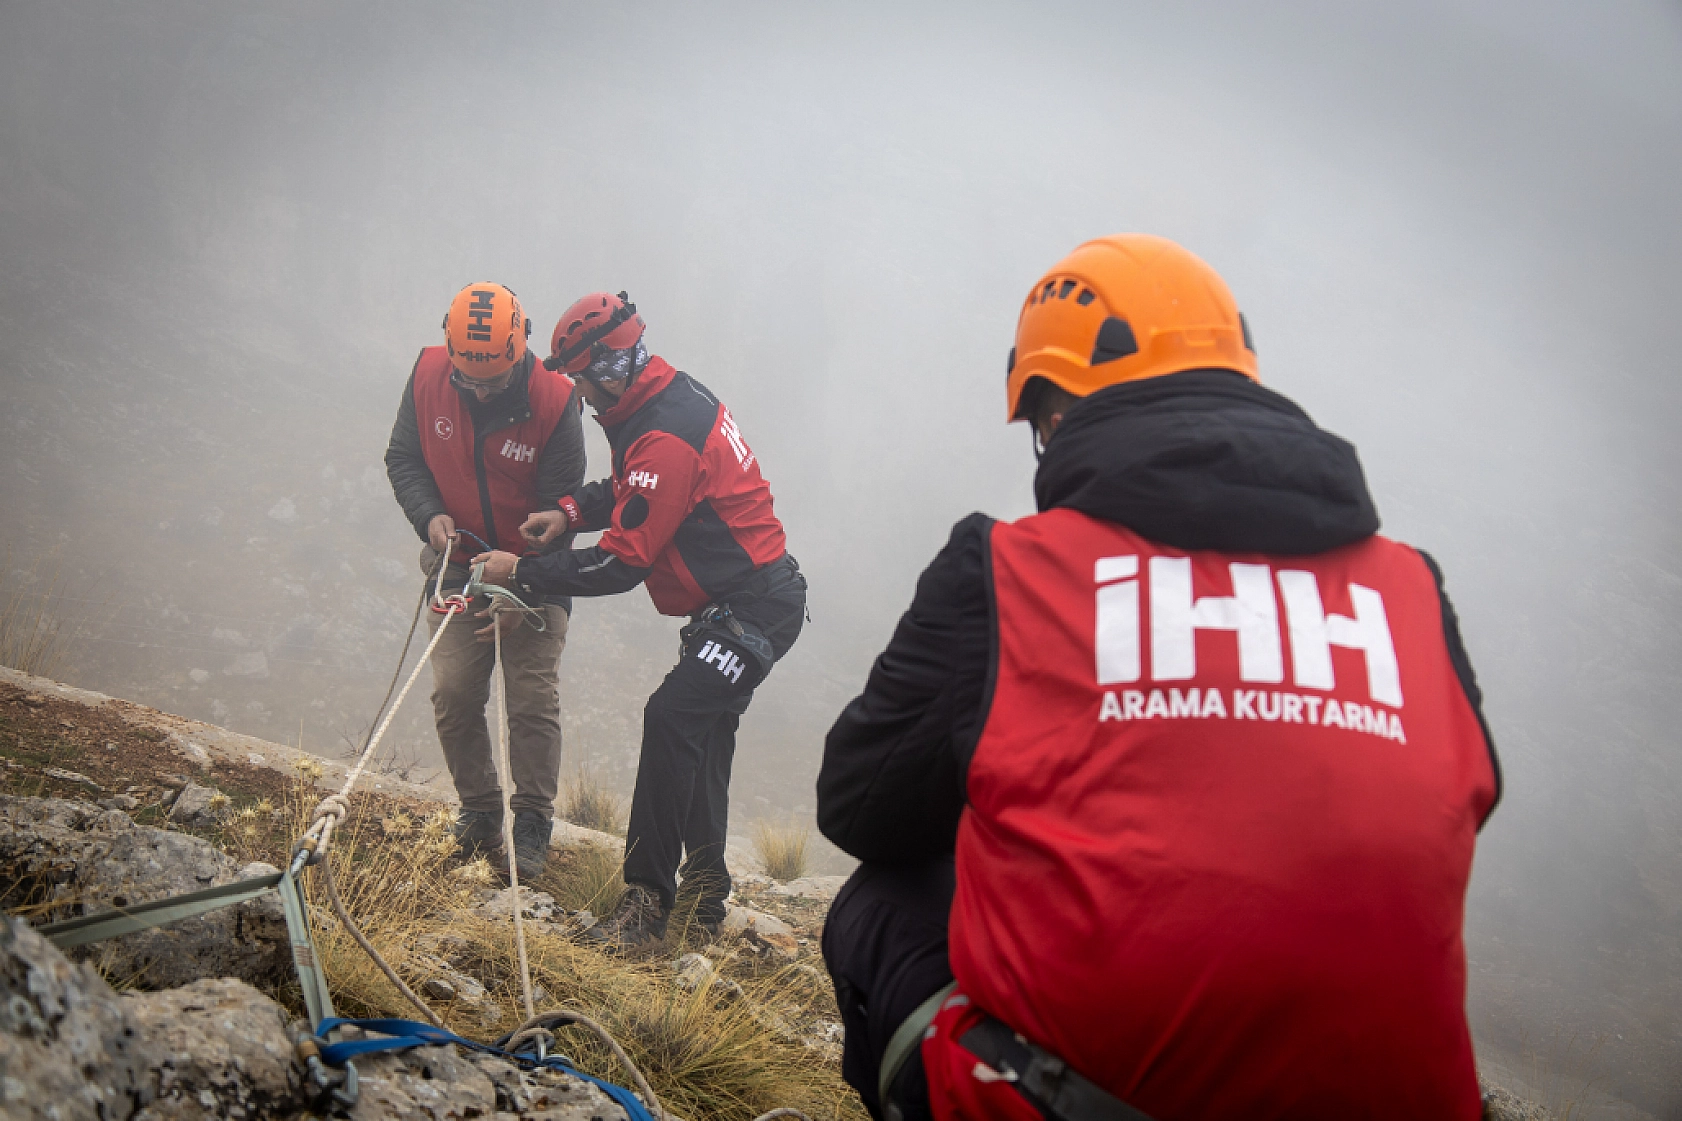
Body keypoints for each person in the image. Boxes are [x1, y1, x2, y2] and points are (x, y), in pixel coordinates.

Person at [816, 235, 1501, 1121]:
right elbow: (1457, 808)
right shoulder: (1412, 586)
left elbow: (859, 805)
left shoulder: (1007, 568)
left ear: (1055, 417)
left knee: (883, 901)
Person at [474, 291, 806, 950]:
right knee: (703, 736)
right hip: (751, 604)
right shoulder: (663, 397)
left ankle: (646, 909)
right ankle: (704, 904)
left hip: (754, 608)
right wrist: (570, 512)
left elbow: (625, 562)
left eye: (582, 379)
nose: (582, 395)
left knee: (672, 716)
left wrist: (522, 571)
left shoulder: (663, 434)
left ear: (609, 364)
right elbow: (636, 490)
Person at [384, 281, 586, 878]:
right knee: (453, 693)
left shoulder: (556, 400)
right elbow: (403, 458)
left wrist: (518, 588)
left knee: (530, 700)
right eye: (468, 378)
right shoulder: (427, 376)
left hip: (534, 572)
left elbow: (562, 511)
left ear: (520, 348)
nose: (478, 389)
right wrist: (428, 515)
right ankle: (478, 812)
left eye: (493, 380)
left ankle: (531, 819)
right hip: (456, 565)